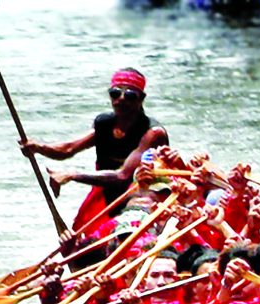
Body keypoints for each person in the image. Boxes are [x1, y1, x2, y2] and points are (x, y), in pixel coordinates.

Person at [21, 68, 169, 232]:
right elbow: (68, 149)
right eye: (115, 93)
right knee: (79, 235)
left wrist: (71, 175)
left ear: (141, 99)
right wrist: (38, 147)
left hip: (138, 191)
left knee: (122, 234)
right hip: (105, 188)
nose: (121, 99)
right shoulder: (105, 124)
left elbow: (123, 176)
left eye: (130, 95)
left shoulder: (153, 133)